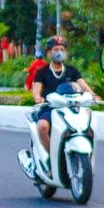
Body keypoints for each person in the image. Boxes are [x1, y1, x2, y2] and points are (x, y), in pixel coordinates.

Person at [30, 36, 97, 165]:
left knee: (87, 128)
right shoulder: (42, 72)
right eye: (55, 49)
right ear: (49, 53)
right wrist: (38, 97)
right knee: (42, 126)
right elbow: (36, 89)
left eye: (62, 49)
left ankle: (85, 158)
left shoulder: (72, 71)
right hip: (50, 108)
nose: (59, 52)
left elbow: (82, 84)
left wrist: (93, 95)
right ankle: (53, 158)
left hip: (71, 108)